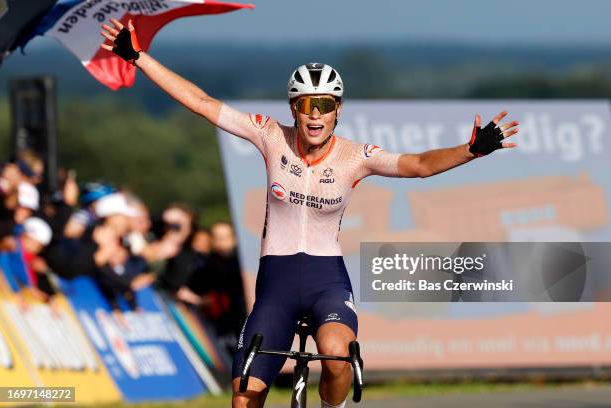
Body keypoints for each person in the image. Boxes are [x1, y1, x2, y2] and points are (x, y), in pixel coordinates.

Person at [101, 19, 519, 408]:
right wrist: (138, 57)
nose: (315, 113)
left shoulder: (357, 156)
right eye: (306, 104)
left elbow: (419, 165)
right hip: (276, 286)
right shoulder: (270, 136)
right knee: (244, 398)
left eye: (324, 104)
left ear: (338, 110)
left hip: (325, 281)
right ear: (294, 109)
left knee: (338, 357)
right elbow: (202, 103)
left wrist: (473, 150)